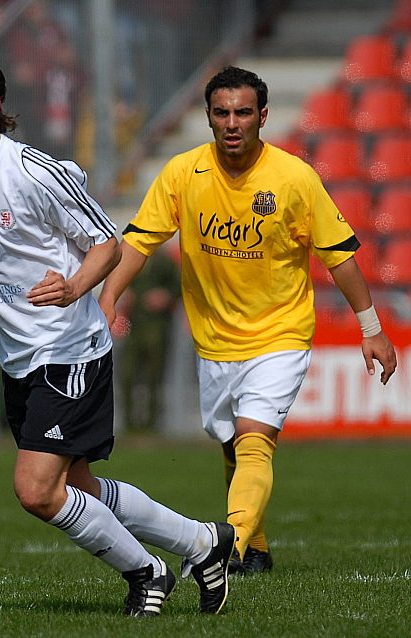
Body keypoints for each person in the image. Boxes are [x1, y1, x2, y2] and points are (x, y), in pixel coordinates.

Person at [0, 53, 236, 617]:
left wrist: (75, 286)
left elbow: (107, 242)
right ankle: (203, 543)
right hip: (18, 361)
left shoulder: (35, 171)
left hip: (69, 350)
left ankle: (146, 572)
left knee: (36, 490)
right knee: (77, 486)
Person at [99, 66, 398, 575]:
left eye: (242, 113)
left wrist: (371, 329)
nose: (232, 123)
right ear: (209, 117)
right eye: (222, 113)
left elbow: (340, 256)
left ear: (262, 116)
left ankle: (226, 549)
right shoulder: (181, 173)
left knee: (255, 438)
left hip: (281, 333)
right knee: (232, 443)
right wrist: (108, 301)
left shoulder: (294, 179)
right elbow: (138, 242)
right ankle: (255, 547)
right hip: (214, 340)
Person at [116, 246, 181, 431]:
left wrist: (165, 296)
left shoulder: (164, 261)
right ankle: (130, 424)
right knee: (127, 373)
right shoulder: (128, 259)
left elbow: (179, 285)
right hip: (132, 324)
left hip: (157, 326)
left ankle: (151, 424)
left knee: (154, 375)